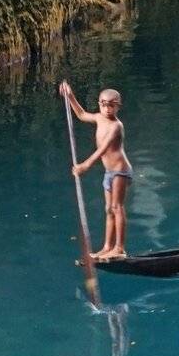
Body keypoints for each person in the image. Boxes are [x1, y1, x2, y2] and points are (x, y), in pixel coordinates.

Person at [60, 80, 133, 259]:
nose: (107, 109)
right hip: (109, 172)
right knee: (108, 209)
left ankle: (119, 248)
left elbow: (103, 149)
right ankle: (107, 247)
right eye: (104, 104)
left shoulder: (116, 126)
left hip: (120, 171)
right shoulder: (99, 118)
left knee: (117, 207)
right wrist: (70, 96)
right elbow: (81, 114)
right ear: (99, 104)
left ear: (118, 106)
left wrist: (85, 165)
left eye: (111, 105)